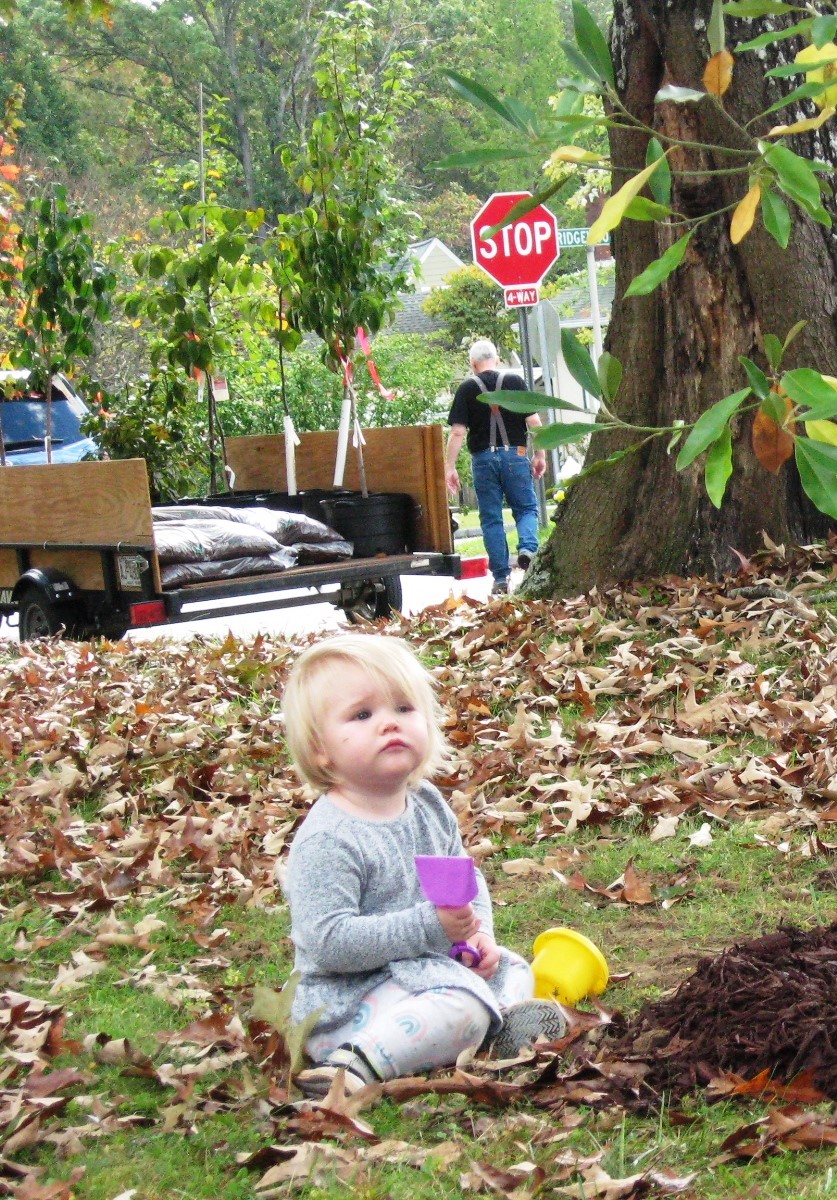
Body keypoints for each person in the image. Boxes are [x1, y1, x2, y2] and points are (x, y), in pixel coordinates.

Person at [280, 634, 566, 1098]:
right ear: (320, 750)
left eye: (404, 709)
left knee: (514, 968)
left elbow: (464, 882)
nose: (388, 724)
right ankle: (351, 1065)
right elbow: (328, 944)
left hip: (425, 969)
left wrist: (479, 937)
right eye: (362, 715)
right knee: (462, 1006)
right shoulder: (329, 838)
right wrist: (430, 928)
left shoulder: (427, 803)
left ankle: (500, 1022)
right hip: (348, 1000)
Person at [445, 340, 547, 595]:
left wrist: (450, 466)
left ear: (473, 364)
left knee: (491, 518)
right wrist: (540, 454)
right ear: (497, 360)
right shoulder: (515, 383)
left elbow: (457, 432)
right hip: (516, 455)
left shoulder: (467, 389)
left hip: (483, 459)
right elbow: (534, 421)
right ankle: (527, 549)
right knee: (525, 508)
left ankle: (500, 579)